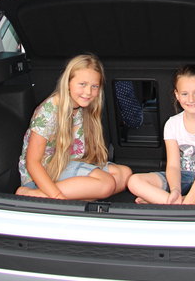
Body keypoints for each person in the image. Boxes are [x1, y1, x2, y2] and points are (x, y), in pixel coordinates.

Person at [16, 53, 132, 200]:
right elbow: (33, 163)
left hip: (68, 164)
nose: (88, 92)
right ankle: (32, 195)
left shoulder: (84, 107)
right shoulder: (49, 111)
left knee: (124, 175)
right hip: (43, 174)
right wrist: (57, 196)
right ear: (68, 83)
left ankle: (73, 196)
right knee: (107, 184)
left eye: (94, 86)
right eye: (82, 84)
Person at [128, 64, 195, 205]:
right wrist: (175, 190)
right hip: (182, 176)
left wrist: (190, 200)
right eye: (185, 94)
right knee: (134, 181)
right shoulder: (172, 124)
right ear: (177, 95)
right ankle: (173, 200)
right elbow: (173, 166)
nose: (191, 99)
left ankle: (164, 201)